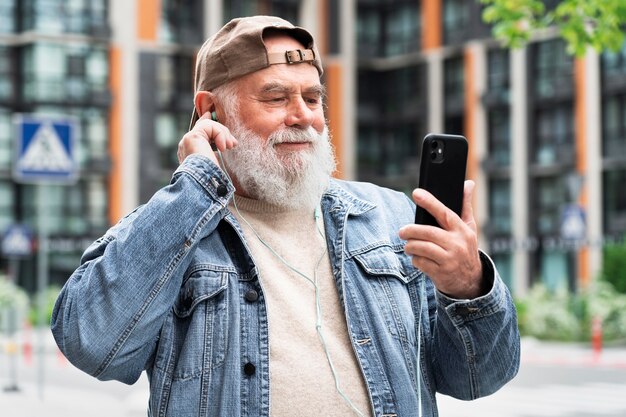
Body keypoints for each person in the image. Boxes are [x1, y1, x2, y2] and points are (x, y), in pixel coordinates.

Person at [51, 15, 520, 417]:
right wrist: (195, 184)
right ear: (209, 110)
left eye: (313, 99)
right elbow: (93, 345)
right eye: (276, 98)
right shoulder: (172, 227)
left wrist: (468, 286)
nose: (304, 117)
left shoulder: (389, 217)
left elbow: (476, 378)